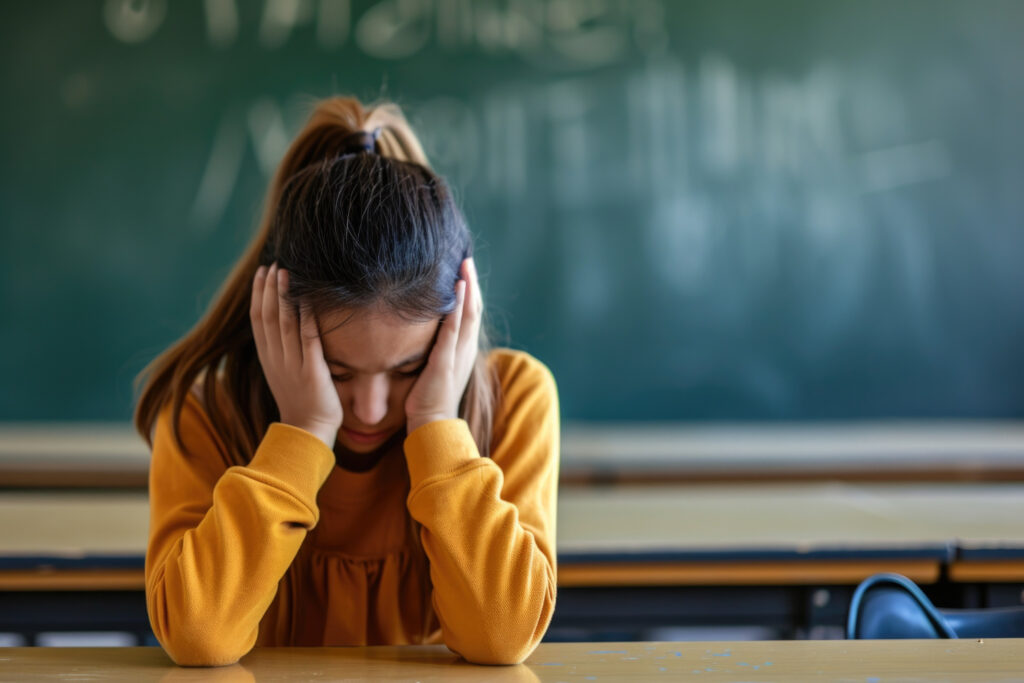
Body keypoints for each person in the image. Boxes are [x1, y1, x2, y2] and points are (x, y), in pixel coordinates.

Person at [134, 97, 560, 667]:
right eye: (336, 372)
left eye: (409, 369)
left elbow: (502, 638)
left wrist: (436, 425)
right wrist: (303, 431)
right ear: (275, 321)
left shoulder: (516, 400)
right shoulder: (209, 413)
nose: (368, 408)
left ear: (457, 325)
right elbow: (199, 636)